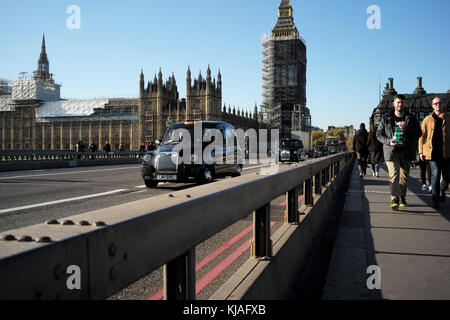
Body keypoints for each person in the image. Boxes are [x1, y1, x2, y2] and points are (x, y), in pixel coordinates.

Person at [376, 94, 422, 211]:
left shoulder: (411, 118)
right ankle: (394, 199)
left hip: (406, 152)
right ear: (394, 104)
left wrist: (407, 129)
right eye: (398, 102)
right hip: (391, 152)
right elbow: (379, 134)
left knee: (403, 178)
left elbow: (419, 133)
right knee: (394, 176)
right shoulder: (386, 118)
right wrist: (389, 141)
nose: (400, 105)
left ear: (405, 104)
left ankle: (402, 197)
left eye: (402, 103)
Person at [418, 97, 449, 208]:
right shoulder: (427, 119)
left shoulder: (448, 118)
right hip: (432, 152)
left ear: (443, 104)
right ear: (432, 106)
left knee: (446, 177)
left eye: (440, 103)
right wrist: (421, 151)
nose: (438, 105)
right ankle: (435, 198)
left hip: (446, 153)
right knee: (435, 175)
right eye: (435, 103)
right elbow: (421, 137)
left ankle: (441, 190)